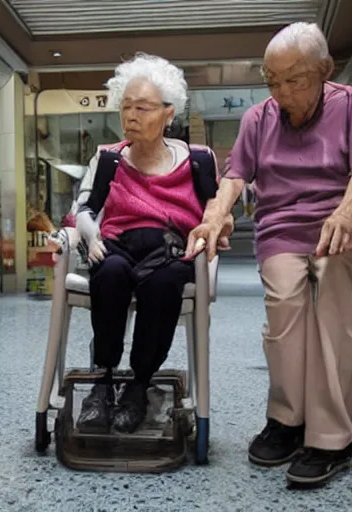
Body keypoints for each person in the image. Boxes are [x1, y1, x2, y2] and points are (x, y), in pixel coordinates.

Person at [186, 22, 352, 487]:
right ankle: (288, 420)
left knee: (335, 316)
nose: (282, 91)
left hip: (338, 228)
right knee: (284, 313)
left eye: (295, 80)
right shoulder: (258, 118)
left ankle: (334, 437)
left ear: (324, 71)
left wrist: (347, 210)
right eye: (273, 80)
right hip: (281, 230)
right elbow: (235, 176)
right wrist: (214, 216)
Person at [74, 54, 223, 434]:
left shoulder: (197, 161)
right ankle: (103, 381)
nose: (131, 116)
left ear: (168, 113)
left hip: (171, 249)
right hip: (119, 244)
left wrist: (217, 228)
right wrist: (90, 233)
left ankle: (139, 384)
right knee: (109, 273)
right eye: (126, 107)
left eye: (143, 108)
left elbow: (214, 213)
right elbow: (85, 209)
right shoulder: (108, 159)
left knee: (164, 283)